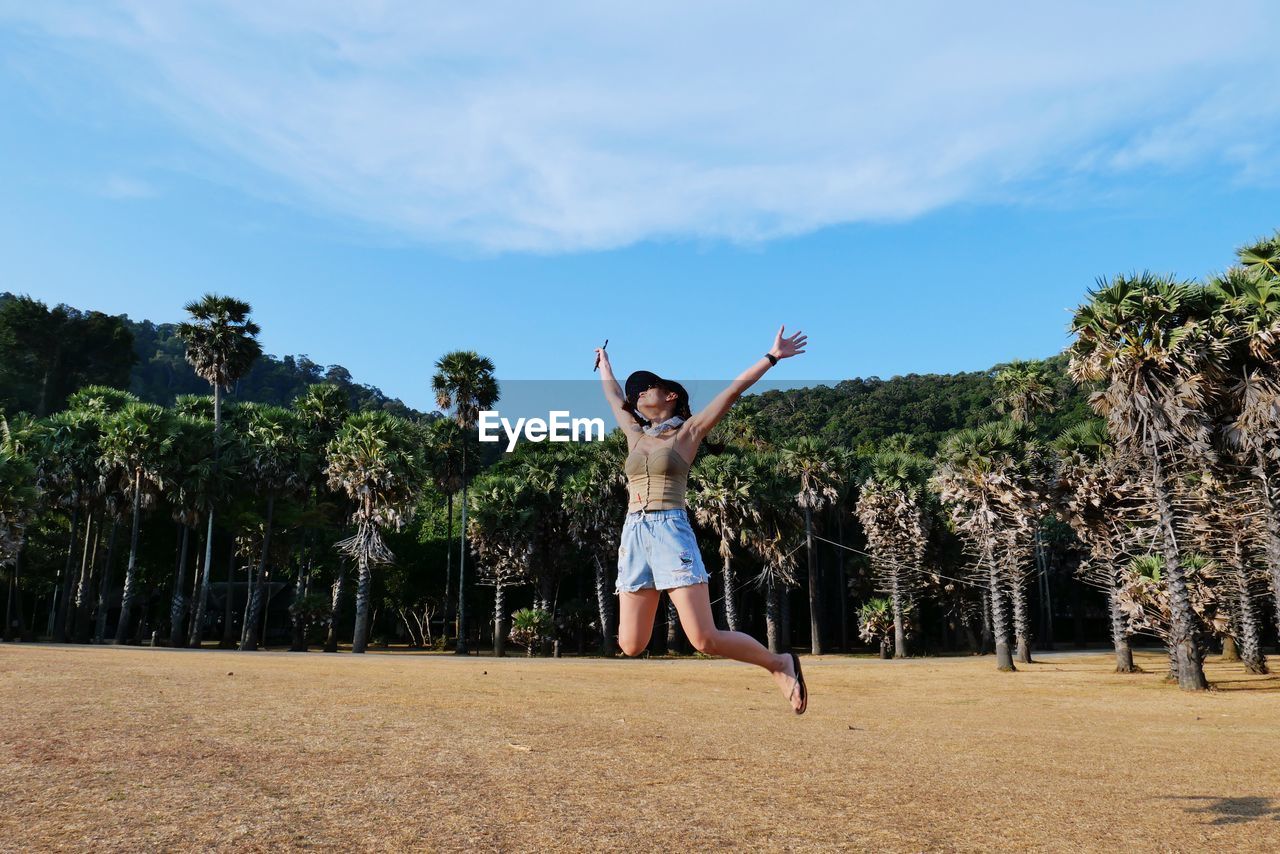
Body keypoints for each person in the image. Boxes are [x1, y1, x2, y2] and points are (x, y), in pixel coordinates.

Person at [593, 325, 810, 714]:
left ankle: (779, 663)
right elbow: (612, 398)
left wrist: (772, 356)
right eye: (635, 392)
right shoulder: (634, 434)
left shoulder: (688, 433)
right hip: (633, 534)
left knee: (704, 639)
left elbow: (732, 391)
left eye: (647, 388)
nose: (637, 393)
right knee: (630, 644)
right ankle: (777, 663)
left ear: (671, 395)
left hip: (668, 531)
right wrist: (605, 364)